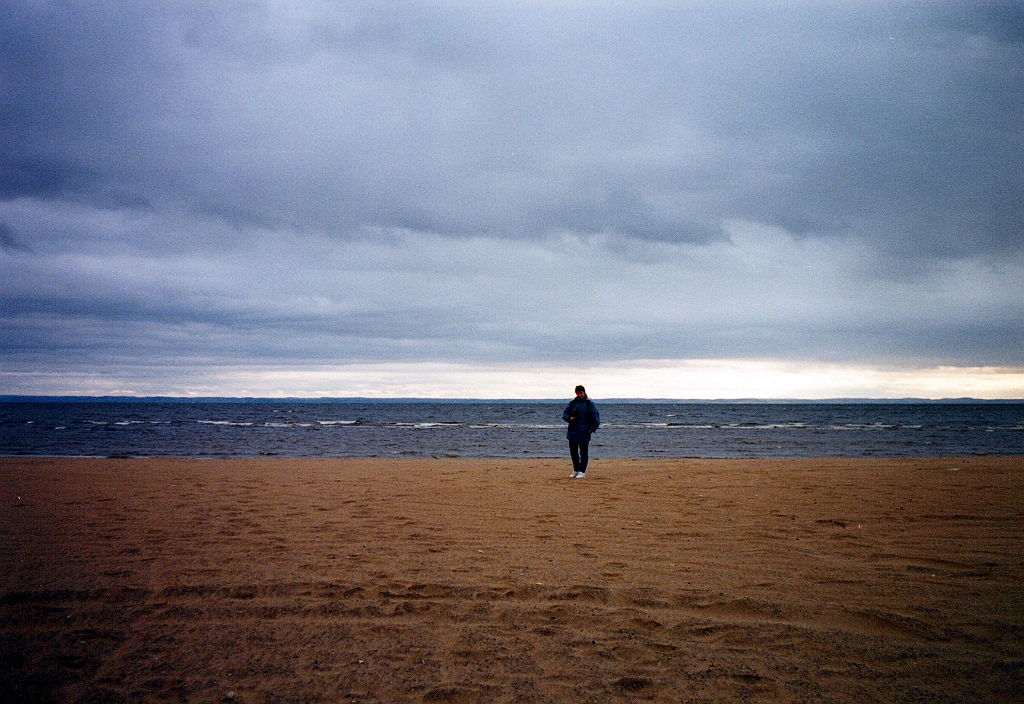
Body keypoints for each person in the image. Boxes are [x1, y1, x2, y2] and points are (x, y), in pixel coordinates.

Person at [562, 385, 600, 478]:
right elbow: (565, 414)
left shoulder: (589, 403)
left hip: (585, 431)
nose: (579, 395)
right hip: (573, 431)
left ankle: (582, 471)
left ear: (584, 392)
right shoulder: (572, 403)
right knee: (573, 452)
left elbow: (595, 418)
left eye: (581, 393)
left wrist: (592, 429)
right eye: (578, 393)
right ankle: (576, 469)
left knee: (583, 452)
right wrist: (569, 418)